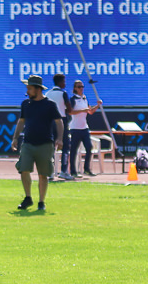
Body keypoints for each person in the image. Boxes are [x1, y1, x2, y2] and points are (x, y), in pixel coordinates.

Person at [14, 74, 61, 212]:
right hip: (28, 143)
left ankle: (41, 201)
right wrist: (15, 137)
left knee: (43, 174)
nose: (27, 91)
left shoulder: (49, 105)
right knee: (23, 169)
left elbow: (59, 122)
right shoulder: (25, 104)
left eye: (29, 88)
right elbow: (21, 121)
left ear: (38, 89)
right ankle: (28, 197)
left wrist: (59, 138)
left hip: (45, 144)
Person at [63, 80, 97, 176]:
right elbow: (70, 112)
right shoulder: (73, 99)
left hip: (84, 128)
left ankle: (87, 169)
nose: (81, 88)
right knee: (74, 150)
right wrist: (82, 110)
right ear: (75, 88)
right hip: (75, 128)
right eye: (79, 87)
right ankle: (73, 171)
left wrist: (98, 105)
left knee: (89, 147)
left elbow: (90, 111)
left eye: (82, 86)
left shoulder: (85, 98)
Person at [44, 74, 72, 176]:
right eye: (64, 81)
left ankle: (50, 172)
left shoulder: (47, 94)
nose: (65, 84)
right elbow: (69, 109)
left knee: (50, 147)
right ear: (60, 82)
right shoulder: (63, 93)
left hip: (49, 122)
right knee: (65, 147)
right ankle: (64, 171)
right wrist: (64, 110)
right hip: (61, 121)